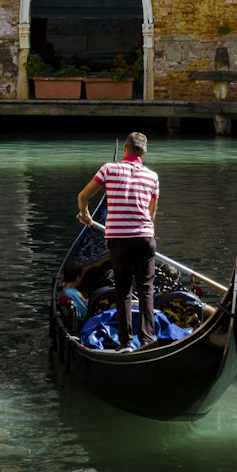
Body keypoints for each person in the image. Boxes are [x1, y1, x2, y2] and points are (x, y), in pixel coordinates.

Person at [77, 132, 159, 351]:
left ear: (124, 149)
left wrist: (85, 215)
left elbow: (83, 196)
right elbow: (151, 215)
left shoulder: (108, 169)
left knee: (123, 291)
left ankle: (126, 344)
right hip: (144, 239)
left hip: (119, 239)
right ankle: (148, 340)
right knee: (146, 290)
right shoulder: (153, 177)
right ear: (144, 152)